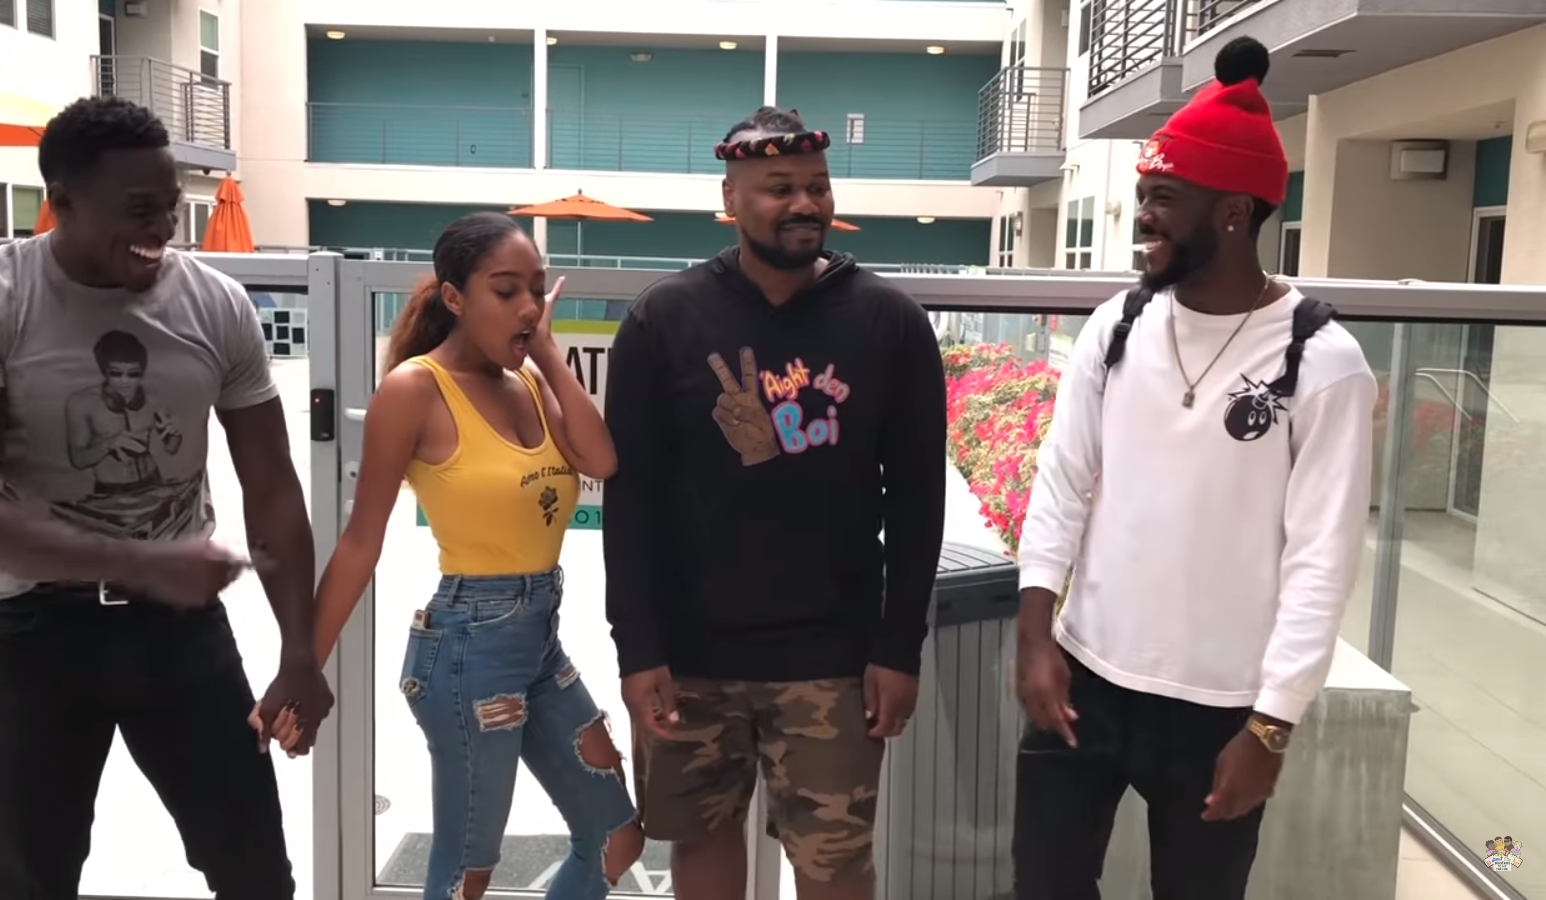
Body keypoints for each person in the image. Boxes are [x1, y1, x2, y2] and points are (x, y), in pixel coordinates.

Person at [1010, 37, 1378, 899]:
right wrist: (1035, 638)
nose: (1144, 217)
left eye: (1164, 199)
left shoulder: (1322, 362)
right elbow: (1062, 484)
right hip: (1084, 678)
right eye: (1143, 196)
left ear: (1234, 213)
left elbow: (1321, 560)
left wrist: (1272, 726)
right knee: (1043, 887)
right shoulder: (1117, 326)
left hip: (1221, 707)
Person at [0, 96, 332, 900]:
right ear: (62, 201)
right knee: (30, 880)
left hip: (180, 630)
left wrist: (300, 651)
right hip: (35, 630)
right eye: (138, 210)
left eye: (170, 207)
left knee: (256, 872)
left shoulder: (215, 304)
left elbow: (270, 482)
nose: (162, 229)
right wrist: (143, 562)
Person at [601, 106, 948, 899]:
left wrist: (900, 647)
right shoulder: (665, 318)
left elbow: (918, 497)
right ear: (730, 197)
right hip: (690, 654)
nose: (804, 204)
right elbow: (633, 499)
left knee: (834, 866)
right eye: (779, 187)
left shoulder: (889, 323)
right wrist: (638, 647)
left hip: (835, 657)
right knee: (701, 849)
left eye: (817, 187)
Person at [265, 212, 643, 900]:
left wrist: (548, 355)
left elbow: (601, 459)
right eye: (506, 290)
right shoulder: (414, 390)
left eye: (536, 290)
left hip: (540, 642)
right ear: (454, 298)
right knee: (467, 872)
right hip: (469, 648)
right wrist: (301, 668)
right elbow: (360, 543)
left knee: (616, 835)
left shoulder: (528, 382)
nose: (527, 306)